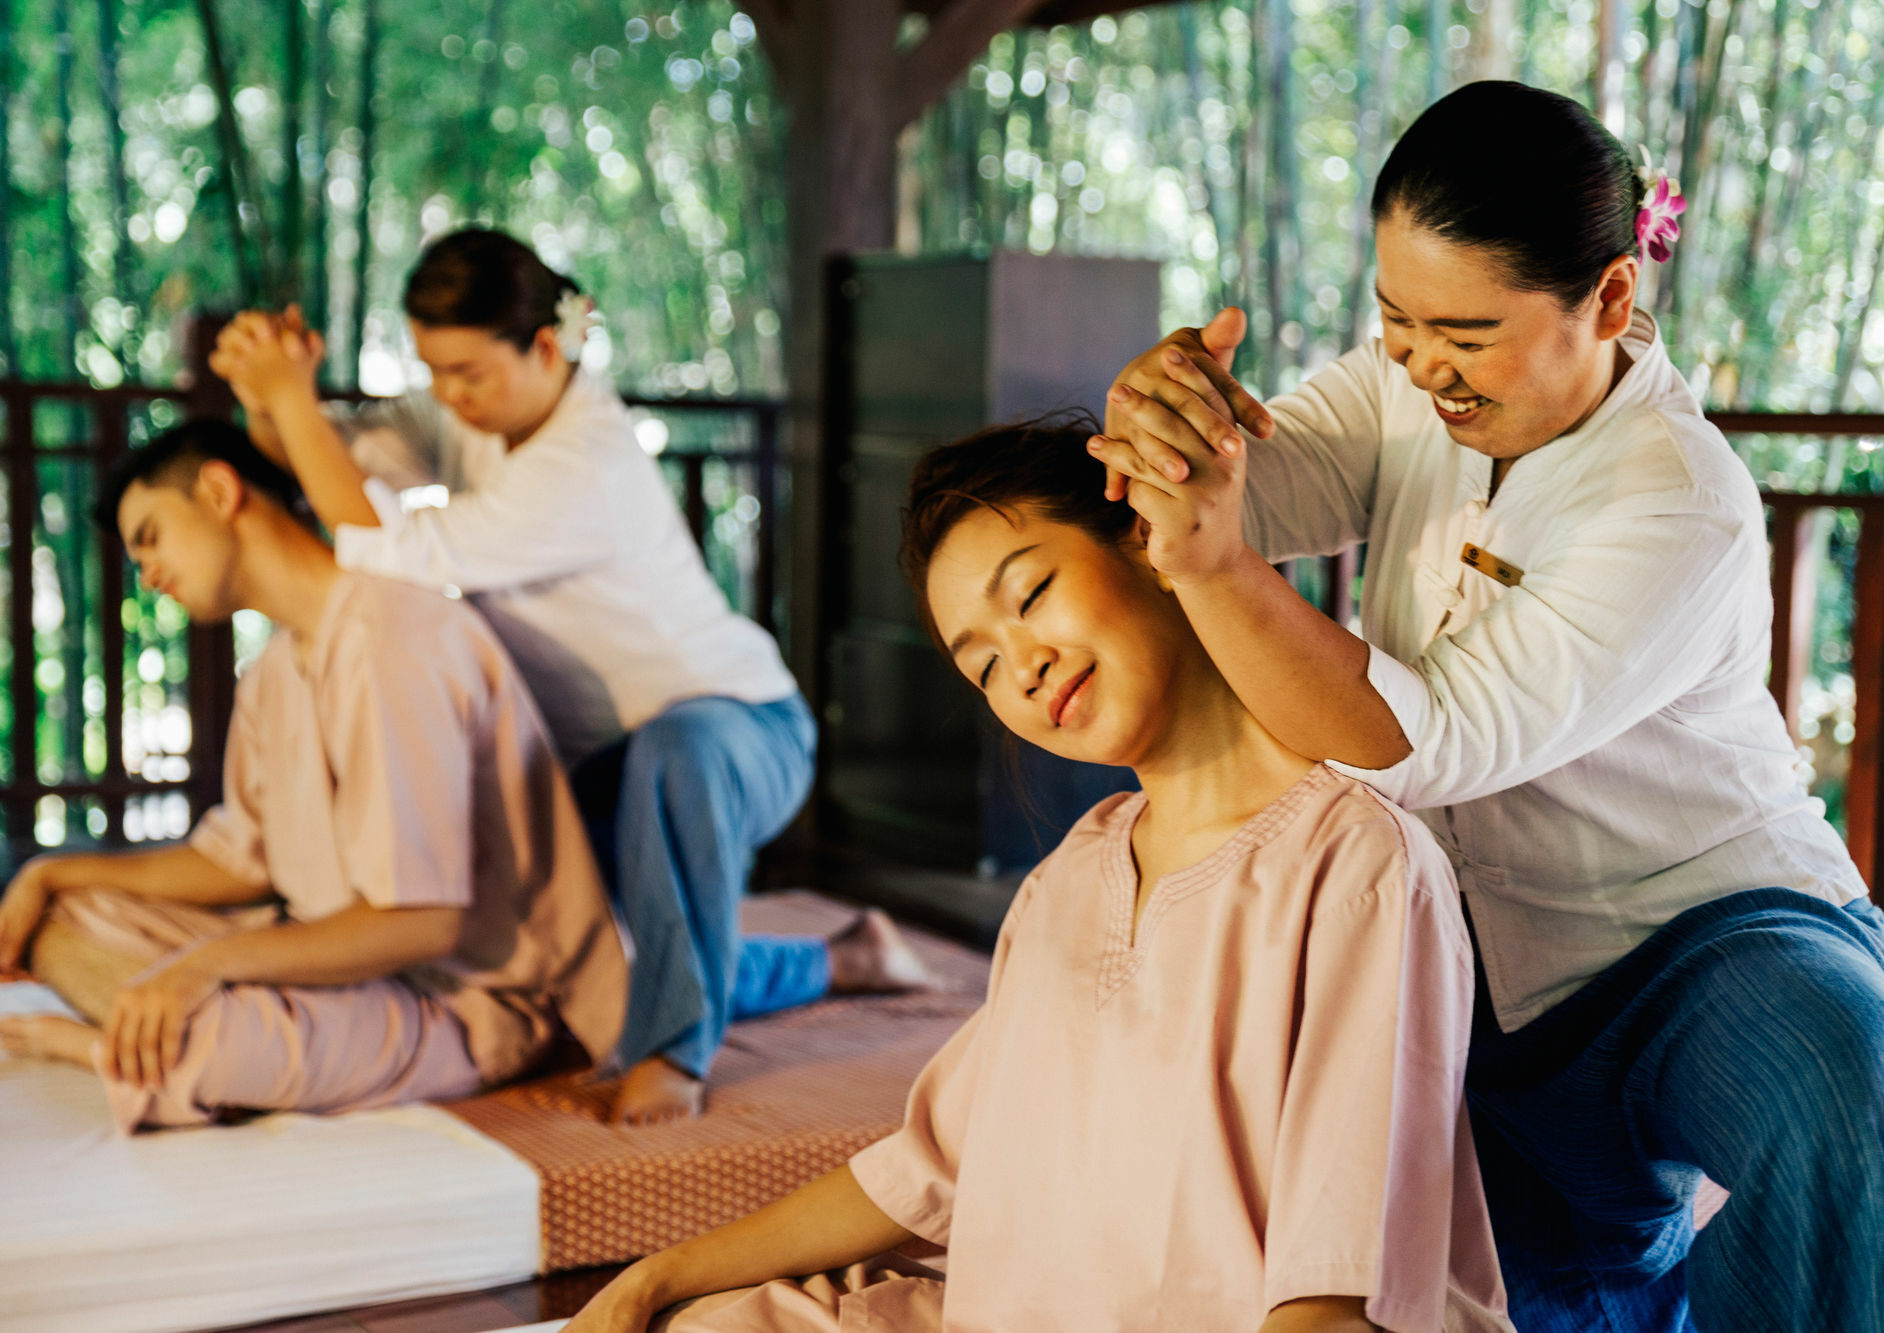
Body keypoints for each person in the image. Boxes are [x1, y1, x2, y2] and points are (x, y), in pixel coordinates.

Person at [1091, 80, 1884, 1333]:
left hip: (1702, 934)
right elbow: (1255, 498)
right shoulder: (1402, 387)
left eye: (1460, 330)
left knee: (1852, 1088)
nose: (1414, 362)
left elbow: (1426, 736)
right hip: (1478, 973)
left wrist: (1214, 564)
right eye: (1391, 317)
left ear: (1608, 297)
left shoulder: (1676, 495)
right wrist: (1168, 439)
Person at [560, 416, 1514, 1333]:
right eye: (982, 666)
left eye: (1029, 597)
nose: (1022, 665)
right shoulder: (1071, 876)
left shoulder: (1356, 864)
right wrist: (654, 1275)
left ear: (1148, 541)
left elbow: (1332, 1298)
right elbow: (926, 1168)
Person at [206, 230, 927, 1125]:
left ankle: (675, 1052)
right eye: (435, 370)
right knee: (581, 955)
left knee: (679, 753)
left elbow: (380, 554)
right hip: (609, 760)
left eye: (466, 371)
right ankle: (844, 959)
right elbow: (325, 459)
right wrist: (267, 391)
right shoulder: (475, 418)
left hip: (739, 729)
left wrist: (289, 402)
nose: (448, 394)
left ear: (544, 348)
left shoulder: (585, 465)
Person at [0, 420, 629, 1131]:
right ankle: (159, 1036)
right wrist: (55, 873)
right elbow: (238, 859)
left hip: (459, 998)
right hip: (339, 963)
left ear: (218, 490)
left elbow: (422, 922)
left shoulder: (396, 637)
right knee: (65, 924)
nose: (145, 574)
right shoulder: (273, 669)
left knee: (219, 1039)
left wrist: (208, 964)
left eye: (150, 536)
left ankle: (109, 1049)